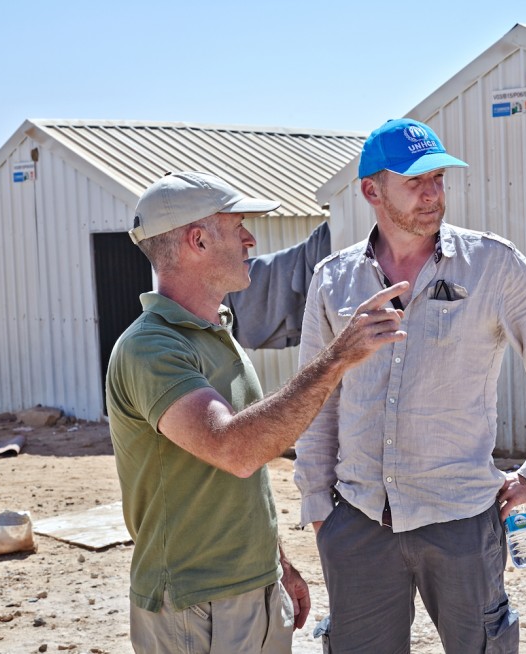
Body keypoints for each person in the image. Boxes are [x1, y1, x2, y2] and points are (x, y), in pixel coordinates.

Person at [294, 118, 526, 652]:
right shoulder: (334, 281)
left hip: (461, 520)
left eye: (439, 178)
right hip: (358, 522)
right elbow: (317, 400)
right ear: (371, 190)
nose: (433, 193)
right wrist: (318, 505)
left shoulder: (492, 266)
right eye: (415, 181)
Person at [106, 170, 407, 653]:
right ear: (197, 240)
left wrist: (277, 565)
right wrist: (337, 357)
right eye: (238, 225)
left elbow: (243, 478)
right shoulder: (151, 348)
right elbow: (236, 449)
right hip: (195, 601)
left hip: (251, 587)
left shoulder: (216, 333)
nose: (251, 238)